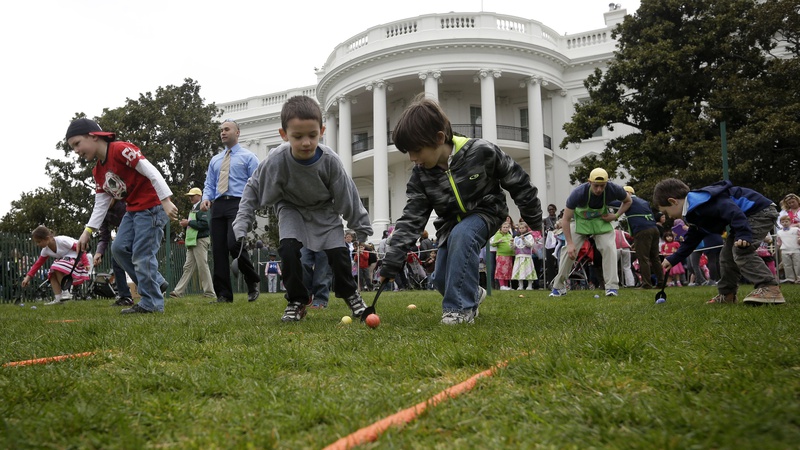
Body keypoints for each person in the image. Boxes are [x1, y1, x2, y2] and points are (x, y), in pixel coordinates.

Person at [378, 95, 542, 324]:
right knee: (441, 280)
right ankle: (473, 294)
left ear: (439, 138)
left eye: (417, 150)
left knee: (464, 234)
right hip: (449, 224)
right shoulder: (421, 175)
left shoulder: (481, 151)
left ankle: (460, 310)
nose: (413, 158)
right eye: (408, 152)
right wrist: (392, 261)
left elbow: (518, 181)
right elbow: (412, 218)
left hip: (487, 212)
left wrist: (535, 221)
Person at [232, 95, 371, 322]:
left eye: (312, 135)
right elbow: (253, 189)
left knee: (338, 254)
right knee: (288, 249)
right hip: (291, 207)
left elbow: (348, 194)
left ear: (322, 131)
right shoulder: (276, 159)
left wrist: (360, 228)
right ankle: (297, 301)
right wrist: (241, 224)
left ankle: (351, 295)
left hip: (324, 210)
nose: (306, 142)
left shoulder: (330, 161)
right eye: (298, 136)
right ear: (284, 135)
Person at [67, 118, 178, 314]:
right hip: (133, 210)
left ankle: (151, 303)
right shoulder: (98, 171)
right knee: (119, 249)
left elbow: (150, 170)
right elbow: (100, 204)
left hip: (151, 207)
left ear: (92, 136)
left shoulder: (120, 149)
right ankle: (156, 281)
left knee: (142, 254)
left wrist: (166, 199)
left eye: (77, 143)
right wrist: (87, 231)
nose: (76, 150)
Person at [653, 178, 784, 304]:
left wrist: (743, 235)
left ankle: (770, 288)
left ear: (673, 201)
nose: (669, 216)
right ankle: (727, 294)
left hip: (759, 212)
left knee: (741, 250)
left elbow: (733, 211)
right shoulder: (694, 211)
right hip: (745, 218)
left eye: (666, 211)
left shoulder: (703, 202)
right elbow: (692, 239)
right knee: (726, 256)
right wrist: (674, 258)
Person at [201, 119, 261, 304]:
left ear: (238, 132)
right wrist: (205, 198)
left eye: (227, 129)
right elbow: (210, 183)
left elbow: (257, 181)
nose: (223, 132)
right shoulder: (215, 160)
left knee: (234, 244)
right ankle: (224, 295)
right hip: (218, 205)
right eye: (221, 130)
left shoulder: (249, 157)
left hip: (239, 203)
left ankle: (252, 279)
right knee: (218, 250)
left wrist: (253, 204)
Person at [549, 168, 631, 297]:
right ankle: (558, 287)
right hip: (581, 221)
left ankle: (612, 288)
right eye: (596, 186)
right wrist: (570, 243)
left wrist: (615, 216)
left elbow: (628, 201)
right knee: (568, 251)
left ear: (607, 183)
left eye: (602, 186)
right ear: (589, 182)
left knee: (609, 248)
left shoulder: (614, 189)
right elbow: (565, 220)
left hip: (601, 220)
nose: (599, 189)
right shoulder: (578, 193)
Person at [21, 225, 91, 305]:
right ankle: (58, 298)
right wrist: (27, 278)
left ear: (47, 238)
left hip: (79, 257)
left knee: (56, 267)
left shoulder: (61, 241)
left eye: (39, 241)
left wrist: (86, 263)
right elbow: (37, 265)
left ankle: (66, 292)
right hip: (67, 260)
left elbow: (80, 248)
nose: (38, 244)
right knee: (52, 272)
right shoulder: (45, 250)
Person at [171, 188, 216, 299]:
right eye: (190, 195)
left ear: (199, 196)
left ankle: (210, 293)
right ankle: (178, 292)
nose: (190, 197)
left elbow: (205, 224)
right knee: (188, 267)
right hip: (193, 241)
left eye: (193, 195)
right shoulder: (194, 208)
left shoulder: (202, 207)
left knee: (202, 266)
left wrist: (189, 222)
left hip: (200, 240)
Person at [615, 185, 663, 289]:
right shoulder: (644, 202)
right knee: (655, 258)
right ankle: (661, 282)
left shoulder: (628, 201)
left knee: (643, 258)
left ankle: (646, 284)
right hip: (654, 229)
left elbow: (610, 203)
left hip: (642, 230)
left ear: (628, 193)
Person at [93, 198, 136, 306]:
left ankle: (155, 286)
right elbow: (104, 236)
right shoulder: (103, 211)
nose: (105, 202)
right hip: (124, 235)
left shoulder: (124, 203)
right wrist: (99, 252)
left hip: (137, 230)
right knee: (116, 260)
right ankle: (125, 296)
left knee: (139, 259)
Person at [511, 222, 538, 290]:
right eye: (520, 228)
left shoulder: (529, 236)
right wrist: (511, 243)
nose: (521, 229)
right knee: (519, 271)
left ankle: (529, 285)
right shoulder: (516, 237)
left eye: (523, 228)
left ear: (526, 228)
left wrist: (524, 239)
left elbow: (530, 245)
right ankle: (520, 285)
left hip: (527, 257)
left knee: (528, 270)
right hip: (518, 257)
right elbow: (514, 247)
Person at [490, 222, 515, 290]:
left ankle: (506, 285)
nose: (505, 229)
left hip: (509, 255)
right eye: (504, 227)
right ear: (501, 228)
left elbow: (512, 244)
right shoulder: (498, 235)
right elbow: (493, 244)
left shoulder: (509, 235)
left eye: (507, 227)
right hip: (501, 255)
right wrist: (498, 241)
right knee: (501, 270)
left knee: (508, 271)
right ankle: (502, 285)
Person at [776, 215, 800, 283]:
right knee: (787, 265)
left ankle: (799, 278)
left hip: (795, 249)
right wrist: (776, 250)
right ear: (780, 223)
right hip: (785, 250)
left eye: (786, 221)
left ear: (790, 222)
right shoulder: (779, 232)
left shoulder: (796, 230)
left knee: (797, 264)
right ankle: (790, 279)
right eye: (783, 222)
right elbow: (779, 242)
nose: (785, 223)